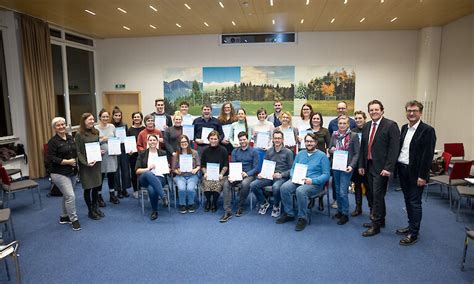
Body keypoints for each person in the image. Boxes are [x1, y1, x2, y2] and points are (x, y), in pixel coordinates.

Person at [396, 100, 436, 246]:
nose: (411, 113)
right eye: (409, 110)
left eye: (414, 111)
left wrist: (423, 176)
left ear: (420, 112)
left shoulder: (428, 130)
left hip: (416, 173)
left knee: (415, 202)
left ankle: (414, 233)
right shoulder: (404, 128)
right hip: (402, 169)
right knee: (407, 200)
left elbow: (428, 155)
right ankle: (410, 225)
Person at [358, 100, 400, 237]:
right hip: (368, 165)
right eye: (371, 110)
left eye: (376, 109)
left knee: (377, 195)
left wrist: (389, 167)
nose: (374, 112)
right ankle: (380, 219)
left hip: (382, 168)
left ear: (382, 110)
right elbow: (363, 147)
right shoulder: (367, 126)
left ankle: (375, 224)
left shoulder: (390, 125)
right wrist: (361, 165)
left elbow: (394, 149)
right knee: (372, 194)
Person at [277, 133, 330, 231]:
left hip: (314, 183)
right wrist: (293, 176)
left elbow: (326, 175)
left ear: (316, 142)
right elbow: (293, 168)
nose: (309, 143)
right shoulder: (300, 154)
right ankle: (289, 213)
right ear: (304, 142)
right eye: (307, 141)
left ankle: (303, 218)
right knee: (284, 187)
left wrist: (313, 180)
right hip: (298, 179)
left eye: (311, 141)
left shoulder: (322, 156)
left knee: (301, 191)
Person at [45, 117, 81, 231]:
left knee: (67, 195)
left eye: (63, 124)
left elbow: (75, 152)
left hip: (72, 171)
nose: (61, 127)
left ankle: (64, 216)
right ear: (54, 128)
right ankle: (74, 219)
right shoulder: (53, 142)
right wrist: (67, 162)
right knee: (70, 196)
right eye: (58, 125)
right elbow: (51, 158)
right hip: (58, 172)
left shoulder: (70, 138)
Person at [250, 130, 294, 218]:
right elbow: (265, 166)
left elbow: (291, 170)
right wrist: (262, 174)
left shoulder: (288, 152)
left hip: (281, 177)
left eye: (279, 138)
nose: (277, 140)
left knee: (276, 187)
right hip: (269, 175)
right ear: (272, 139)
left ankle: (276, 205)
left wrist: (281, 175)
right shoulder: (269, 151)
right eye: (275, 138)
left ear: (282, 140)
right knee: (253, 184)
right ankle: (264, 202)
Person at [220, 131, 259, 223]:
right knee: (226, 184)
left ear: (248, 139)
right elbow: (233, 164)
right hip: (236, 174)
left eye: (244, 139)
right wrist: (231, 175)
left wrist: (247, 174)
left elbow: (256, 167)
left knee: (245, 184)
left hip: (249, 175)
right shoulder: (235, 151)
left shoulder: (254, 151)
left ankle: (240, 206)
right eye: (240, 140)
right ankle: (227, 211)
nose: (242, 141)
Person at [328, 115, 360, 225]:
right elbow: (330, 148)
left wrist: (352, 166)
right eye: (340, 123)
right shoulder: (334, 135)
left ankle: (345, 213)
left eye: (344, 123)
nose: (342, 125)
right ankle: (340, 211)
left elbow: (357, 153)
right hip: (336, 166)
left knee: (343, 191)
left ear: (348, 124)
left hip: (347, 168)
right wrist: (331, 150)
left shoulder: (354, 136)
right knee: (337, 190)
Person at [75, 113, 104, 220]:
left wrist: (100, 151)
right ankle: (90, 210)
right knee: (88, 188)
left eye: (93, 119)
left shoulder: (96, 132)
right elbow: (78, 151)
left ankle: (95, 207)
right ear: (84, 121)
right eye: (89, 120)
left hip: (96, 163)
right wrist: (86, 163)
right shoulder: (79, 134)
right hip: (86, 165)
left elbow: (96, 146)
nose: (92, 121)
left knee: (96, 187)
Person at [135, 134, 169, 220]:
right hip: (145, 178)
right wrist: (148, 168)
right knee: (148, 173)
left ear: (157, 142)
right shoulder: (142, 153)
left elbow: (167, 170)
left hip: (160, 177)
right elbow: (137, 170)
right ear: (147, 142)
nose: (152, 142)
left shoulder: (162, 153)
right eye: (150, 140)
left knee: (151, 188)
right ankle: (163, 196)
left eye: (154, 140)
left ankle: (154, 211)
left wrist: (167, 167)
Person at [95, 109, 120, 206]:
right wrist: (102, 140)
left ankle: (112, 195)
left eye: (107, 116)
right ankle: (99, 196)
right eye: (103, 116)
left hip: (112, 155)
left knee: (111, 176)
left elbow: (116, 139)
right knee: (100, 177)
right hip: (101, 156)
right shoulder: (95, 128)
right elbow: (93, 142)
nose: (105, 118)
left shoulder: (112, 126)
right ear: (100, 117)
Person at [200, 130, 228, 212]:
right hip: (208, 174)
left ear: (219, 139)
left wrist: (221, 174)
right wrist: (205, 173)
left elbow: (226, 165)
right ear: (208, 139)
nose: (213, 140)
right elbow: (203, 165)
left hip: (221, 174)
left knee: (217, 184)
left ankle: (214, 202)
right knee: (206, 183)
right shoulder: (205, 151)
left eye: (215, 139)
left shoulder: (224, 150)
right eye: (211, 138)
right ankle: (208, 201)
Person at [172, 134, 201, 214]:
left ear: (188, 142)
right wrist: (177, 171)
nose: (184, 143)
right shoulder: (176, 155)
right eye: (182, 142)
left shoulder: (194, 153)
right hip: (180, 176)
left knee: (190, 189)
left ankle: (191, 204)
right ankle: (182, 204)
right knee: (181, 189)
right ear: (179, 144)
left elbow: (199, 165)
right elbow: (173, 168)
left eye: (185, 141)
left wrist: (196, 169)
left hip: (192, 175)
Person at [350, 110, 370, 216]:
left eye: (360, 118)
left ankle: (373, 210)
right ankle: (358, 208)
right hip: (356, 163)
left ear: (364, 119)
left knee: (368, 187)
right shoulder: (352, 131)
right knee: (357, 185)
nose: (358, 120)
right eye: (356, 118)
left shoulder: (369, 129)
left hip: (367, 163)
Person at [111, 106, 131, 198]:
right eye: (116, 115)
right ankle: (118, 190)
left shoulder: (124, 125)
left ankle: (124, 189)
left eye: (119, 115)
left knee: (125, 169)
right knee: (116, 170)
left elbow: (127, 138)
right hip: (114, 150)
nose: (118, 117)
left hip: (123, 149)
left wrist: (129, 149)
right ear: (113, 116)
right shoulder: (110, 126)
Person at [127, 112, 145, 199]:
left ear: (141, 118)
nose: (137, 118)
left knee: (144, 172)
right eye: (135, 117)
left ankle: (143, 188)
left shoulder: (144, 129)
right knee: (134, 172)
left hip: (143, 154)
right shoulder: (129, 130)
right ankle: (135, 190)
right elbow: (127, 142)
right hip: (133, 154)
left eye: (138, 117)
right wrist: (128, 151)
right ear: (133, 119)